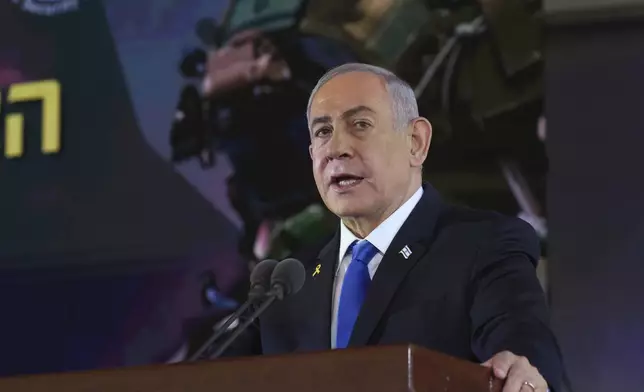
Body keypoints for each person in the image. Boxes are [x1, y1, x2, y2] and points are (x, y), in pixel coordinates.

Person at [224, 63, 564, 392]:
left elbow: (522, 339)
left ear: (415, 141)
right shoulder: (288, 283)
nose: (336, 149)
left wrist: (524, 368)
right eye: (323, 131)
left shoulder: (483, 245)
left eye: (359, 124)